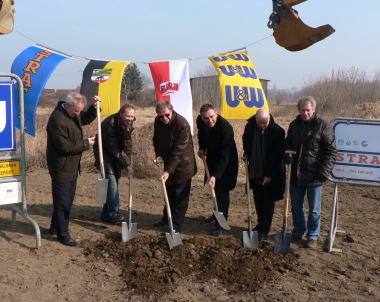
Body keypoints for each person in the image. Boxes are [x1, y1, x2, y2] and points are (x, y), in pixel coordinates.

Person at [46, 92, 100, 246]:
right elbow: (65, 146)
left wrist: (94, 108)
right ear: (68, 105)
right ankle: (63, 235)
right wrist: (86, 143)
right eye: (76, 111)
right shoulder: (57, 120)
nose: (78, 114)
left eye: (80, 111)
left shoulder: (72, 113)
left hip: (72, 166)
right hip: (61, 166)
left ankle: (55, 226)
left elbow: (85, 119)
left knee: (65, 200)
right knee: (63, 202)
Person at [284, 96, 337, 249]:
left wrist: (324, 171)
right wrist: (286, 153)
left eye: (308, 110)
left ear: (313, 109)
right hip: (296, 173)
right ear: (298, 111)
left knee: (314, 209)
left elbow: (331, 151)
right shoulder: (294, 125)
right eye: (302, 110)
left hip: (315, 174)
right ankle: (298, 231)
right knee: (296, 206)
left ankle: (313, 236)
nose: (305, 113)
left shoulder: (323, 126)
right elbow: (288, 141)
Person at [153, 100, 197, 233]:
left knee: (180, 197)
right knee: (169, 194)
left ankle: (176, 226)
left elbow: (178, 151)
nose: (164, 118)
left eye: (167, 115)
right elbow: (156, 140)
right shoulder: (158, 121)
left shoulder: (182, 124)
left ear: (171, 111)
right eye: (161, 116)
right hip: (168, 163)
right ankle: (166, 218)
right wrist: (159, 155)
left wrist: (168, 171)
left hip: (183, 166)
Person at [242, 109, 285, 241]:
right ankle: (260, 225)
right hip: (255, 170)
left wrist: (269, 175)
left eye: (264, 122)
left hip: (271, 173)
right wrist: (246, 153)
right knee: (258, 200)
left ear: (269, 119)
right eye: (259, 122)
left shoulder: (278, 131)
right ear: (255, 119)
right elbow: (245, 139)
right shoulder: (250, 126)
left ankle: (265, 229)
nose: (261, 125)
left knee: (268, 202)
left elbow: (276, 156)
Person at [196, 104, 238, 236]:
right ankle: (215, 214)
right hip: (212, 159)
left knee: (222, 192)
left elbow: (225, 155)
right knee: (215, 190)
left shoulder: (226, 128)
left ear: (217, 113)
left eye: (211, 117)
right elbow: (201, 135)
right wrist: (202, 148)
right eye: (206, 118)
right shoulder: (200, 121)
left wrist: (215, 175)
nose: (209, 120)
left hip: (227, 162)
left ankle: (220, 224)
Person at [94, 104, 135, 224]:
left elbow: (123, 139)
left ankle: (106, 214)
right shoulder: (109, 123)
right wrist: (126, 166)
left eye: (132, 116)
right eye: (128, 116)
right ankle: (113, 213)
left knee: (114, 180)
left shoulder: (127, 122)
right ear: (121, 114)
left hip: (115, 151)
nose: (130, 119)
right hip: (104, 153)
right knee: (111, 182)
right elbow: (112, 148)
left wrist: (127, 150)